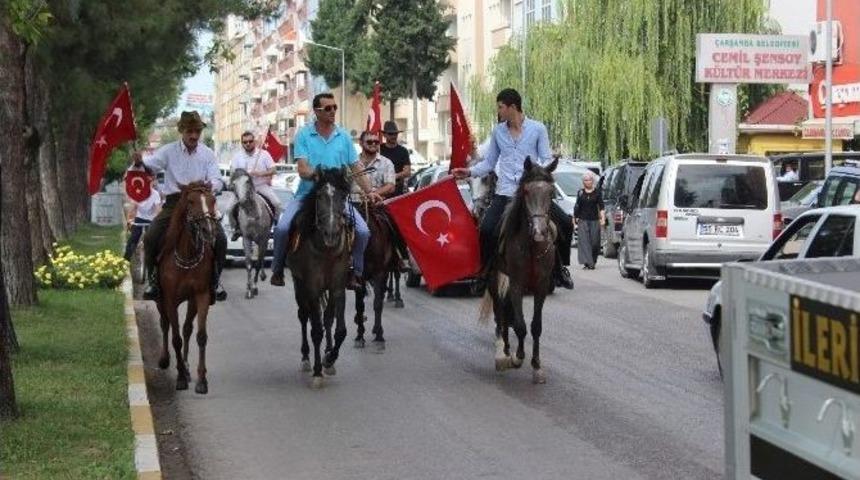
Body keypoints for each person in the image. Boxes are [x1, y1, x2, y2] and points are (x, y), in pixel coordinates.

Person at [452, 88, 575, 290]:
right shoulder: (498, 132)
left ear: (513, 107)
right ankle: (484, 273)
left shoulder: (538, 129)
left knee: (566, 224)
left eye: (501, 107)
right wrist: (468, 172)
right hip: (506, 193)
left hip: (531, 193)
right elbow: (489, 163)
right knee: (486, 229)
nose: (498, 111)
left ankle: (560, 270)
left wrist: (544, 170)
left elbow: (545, 157)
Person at [269, 93, 382, 289]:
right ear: (316, 111)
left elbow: (356, 166)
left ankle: (355, 273)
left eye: (334, 107)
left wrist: (370, 191)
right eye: (328, 108)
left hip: (338, 198)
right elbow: (303, 169)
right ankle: (277, 269)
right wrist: (317, 174)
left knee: (363, 231)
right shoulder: (304, 135)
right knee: (282, 228)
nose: (333, 111)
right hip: (306, 195)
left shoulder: (344, 136)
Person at [131, 111, 228, 302]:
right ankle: (153, 281)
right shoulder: (168, 151)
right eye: (190, 131)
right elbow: (149, 166)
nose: (194, 135)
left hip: (199, 202)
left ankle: (215, 281)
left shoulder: (207, 153)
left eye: (197, 131)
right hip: (174, 203)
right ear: (182, 131)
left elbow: (217, 178)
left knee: (221, 239)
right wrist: (139, 161)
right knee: (150, 237)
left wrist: (212, 185)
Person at [228, 130, 282, 241]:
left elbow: (273, 170)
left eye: (250, 141)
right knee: (229, 208)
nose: (248, 144)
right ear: (242, 143)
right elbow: (233, 174)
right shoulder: (237, 157)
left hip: (260, 186)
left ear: (254, 142)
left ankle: (274, 226)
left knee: (277, 204)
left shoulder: (264, 154)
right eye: (245, 142)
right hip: (243, 189)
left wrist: (259, 173)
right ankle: (236, 228)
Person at [123, 172, 161, 261]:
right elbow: (133, 207)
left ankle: (155, 260)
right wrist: (129, 220)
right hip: (139, 219)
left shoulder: (155, 194)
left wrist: (156, 221)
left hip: (151, 220)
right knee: (133, 238)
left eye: (151, 182)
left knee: (152, 238)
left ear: (153, 182)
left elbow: (158, 209)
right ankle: (126, 260)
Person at [574, 171, 605, 270]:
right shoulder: (580, 192)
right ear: (583, 182)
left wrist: (603, 218)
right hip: (583, 220)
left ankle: (593, 260)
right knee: (584, 242)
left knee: (595, 243)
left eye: (589, 180)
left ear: (593, 181)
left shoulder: (597, 192)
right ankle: (588, 263)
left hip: (594, 220)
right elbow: (577, 206)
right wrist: (575, 219)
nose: (587, 182)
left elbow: (601, 207)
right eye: (585, 180)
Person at [379, 121, 411, 196]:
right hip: (381, 191)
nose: (393, 136)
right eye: (390, 134)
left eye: (395, 134)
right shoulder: (379, 149)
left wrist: (393, 176)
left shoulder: (403, 151)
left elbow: (407, 172)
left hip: (398, 191)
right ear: (384, 135)